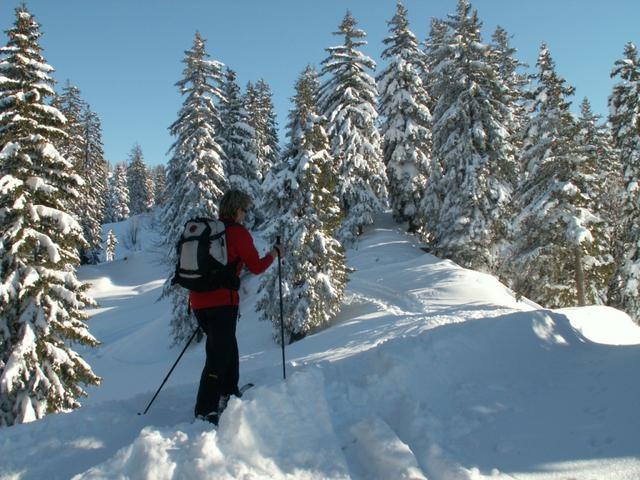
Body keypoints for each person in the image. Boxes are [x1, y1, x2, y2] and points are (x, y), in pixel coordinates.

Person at [191, 189, 281, 425]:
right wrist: (274, 254)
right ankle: (205, 410)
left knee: (226, 347)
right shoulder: (237, 233)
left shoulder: (209, 232)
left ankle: (229, 393)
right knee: (218, 355)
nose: (246, 214)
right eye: (245, 209)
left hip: (198, 301)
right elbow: (257, 266)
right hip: (222, 303)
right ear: (237, 209)